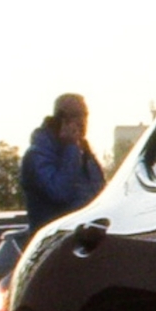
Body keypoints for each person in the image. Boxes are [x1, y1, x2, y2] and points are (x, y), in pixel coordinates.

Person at [20, 92, 105, 227]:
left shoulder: (84, 151)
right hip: (56, 239)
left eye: (85, 115)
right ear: (60, 119)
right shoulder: (37, 155)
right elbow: (60, 193)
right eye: (75, 115)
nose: (82, 121)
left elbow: (99, 192)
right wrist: (70, 147)